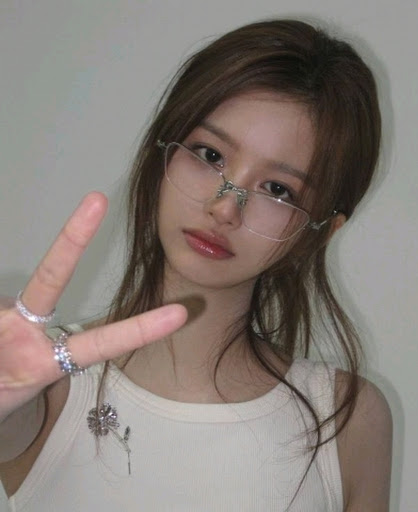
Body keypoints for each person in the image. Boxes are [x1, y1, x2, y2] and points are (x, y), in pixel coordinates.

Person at [0, 19, 392, 511]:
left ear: (320, 231)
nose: (225, 208)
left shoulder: (349, 419)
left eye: (277, 189)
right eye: (210, 154)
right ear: (162, 153)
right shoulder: (44, 386)